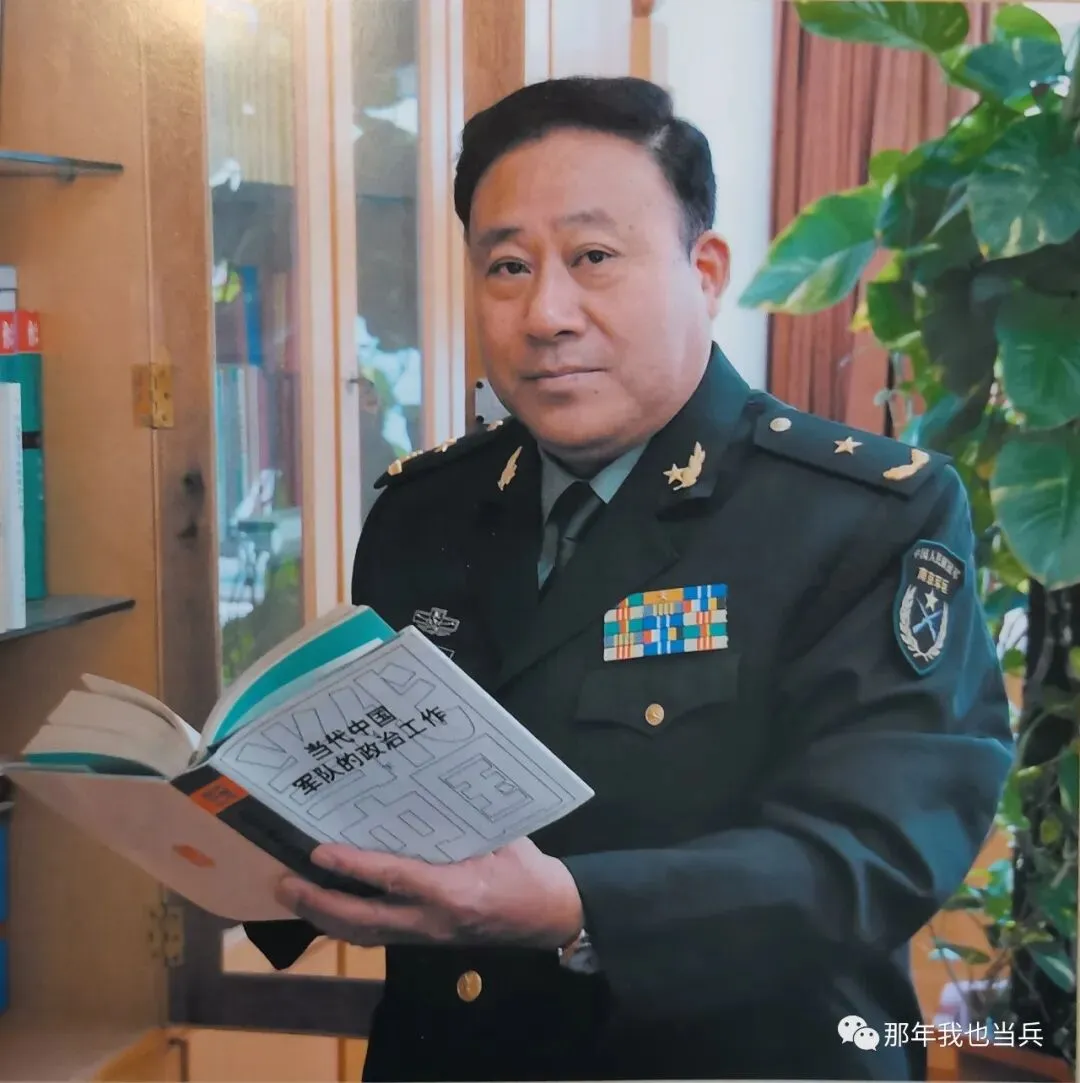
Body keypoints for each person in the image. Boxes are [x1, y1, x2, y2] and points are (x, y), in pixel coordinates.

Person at [245, 76, 1013, 1081]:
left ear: (706, 271)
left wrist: (577, 909)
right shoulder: (423, 511)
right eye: (507, 266)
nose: (546, 313)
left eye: (594, 258)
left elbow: (877, 855)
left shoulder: (864, 517)